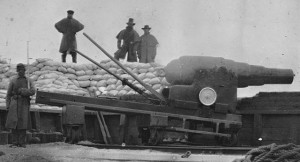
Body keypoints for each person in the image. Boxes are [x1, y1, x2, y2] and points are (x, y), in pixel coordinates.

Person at [5, 63, 35, 148]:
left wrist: (24, 91)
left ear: (25, 71)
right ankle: (14, 142)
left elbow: (33, 91)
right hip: (14, 103)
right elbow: (8, 94)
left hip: (24, 103)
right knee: (14, 123)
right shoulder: (13, 80)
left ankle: (22, 142)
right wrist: (8, 105)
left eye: (23, 70)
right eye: (20, 70)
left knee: (23, 123)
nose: (21, 72)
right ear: (17, 71)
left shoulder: (29, 80)